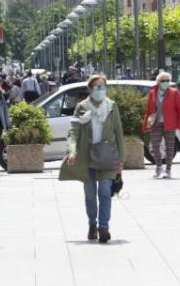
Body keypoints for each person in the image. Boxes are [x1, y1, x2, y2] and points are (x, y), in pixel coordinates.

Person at [59, 74, 124, 243]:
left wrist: (121, 160)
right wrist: (72, 151)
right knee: (90, 194)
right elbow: (73, 131)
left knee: (104, 191)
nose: (100, 90)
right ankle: (92, 224)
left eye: (103, 87)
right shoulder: (81, 107)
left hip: (107, 157)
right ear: (90, 89)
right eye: (97, 87)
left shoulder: (112, 106)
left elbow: (119, 133)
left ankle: (104, 227)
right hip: (87, 157)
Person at [142, 72, 180, 179]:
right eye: (163, 81)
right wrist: (146, 122)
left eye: (167, 80)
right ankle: (158, 167)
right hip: (156, 123)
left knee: (169, 147)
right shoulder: (153, 92)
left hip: (170, 123)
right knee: (155, 145)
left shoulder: (174, 92)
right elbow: (149, 109)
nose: (165, 83)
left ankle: (168, 170)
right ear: (158, 82)